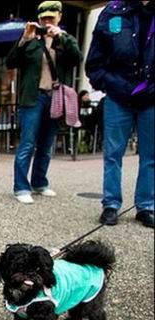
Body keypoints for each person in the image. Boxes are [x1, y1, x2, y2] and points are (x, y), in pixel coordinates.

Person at [5, 1, 82, 204]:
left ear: (59, 17)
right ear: (38, 19)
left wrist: (62, 36)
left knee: (47, 145)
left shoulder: (64, 40)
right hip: (33, 98)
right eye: (43, 18)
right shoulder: (31, 40)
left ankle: (39, 183)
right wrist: (24, 39)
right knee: (27, 143)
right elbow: (9, 62)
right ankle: (21, 187)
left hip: (55, 98)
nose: (47, 22)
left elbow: (78, 57)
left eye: (51, 17)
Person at [86, 0, 154, 228]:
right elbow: (94, 62)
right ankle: (111, 204)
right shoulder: (113, 11)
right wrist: (110, 83)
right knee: (113, 153)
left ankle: (146, 206)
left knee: (151, 156)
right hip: (118, 95)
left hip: (152, 98)